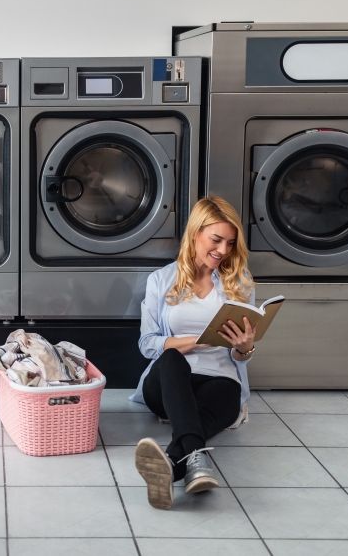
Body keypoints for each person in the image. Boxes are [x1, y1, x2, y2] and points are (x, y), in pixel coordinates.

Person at [131, 196, 256, 510]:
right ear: (195, 233)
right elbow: (147, 344)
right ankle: (195, 465)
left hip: (219, 382)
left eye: (230, 243)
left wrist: (245, 348)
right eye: (216, 240)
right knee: (171, 358)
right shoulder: (161, 280)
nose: (223, 251)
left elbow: (242, 357)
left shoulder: (240, 283)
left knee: (223, 394)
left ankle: (176, 463)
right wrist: (189, 342)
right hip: (168, 381)